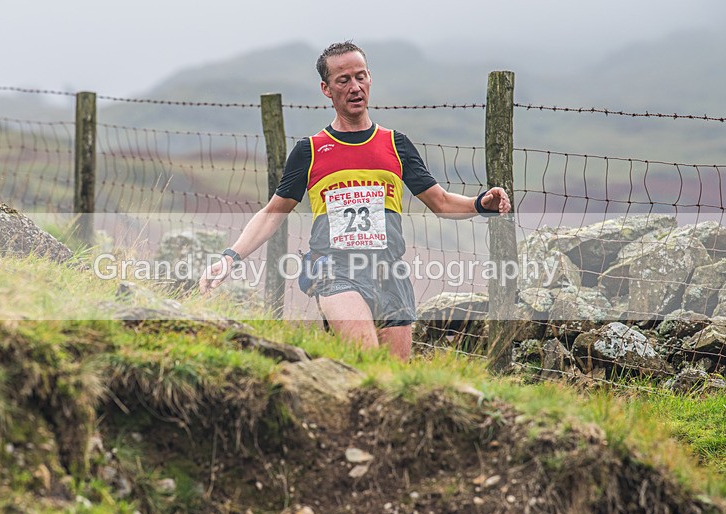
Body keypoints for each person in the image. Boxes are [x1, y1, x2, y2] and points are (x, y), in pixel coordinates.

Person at [199, 41, 511, 361]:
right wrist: (229, 257)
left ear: (370, 79)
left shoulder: (395, 145)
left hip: (392, 274)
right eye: (343, 80)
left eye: (360, 77)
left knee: (393, 380)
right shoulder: (310, 150)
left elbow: (441, 202)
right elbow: (271, 214)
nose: (354, 87)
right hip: (337, 271)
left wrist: (479, 204)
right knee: (365, 358)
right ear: (326, 88)